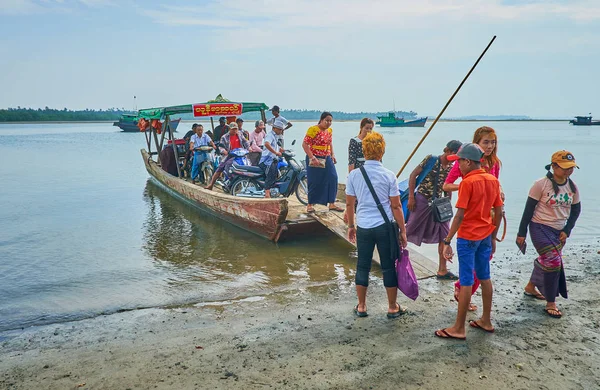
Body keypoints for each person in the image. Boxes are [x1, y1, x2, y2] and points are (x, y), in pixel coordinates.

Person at [435, 143, 503, 340]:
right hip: (485, 236)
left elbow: (459, 215)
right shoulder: (492, 180)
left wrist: (447, 240)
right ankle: (486, 320)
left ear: (467, 161)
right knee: (484, 277)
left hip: (468, 237)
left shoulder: (467, 182)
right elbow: (498, 211)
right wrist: (493, 236)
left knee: (466, 281)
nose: (458, 166)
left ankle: (458, 327)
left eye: (459, 162)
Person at [346, 132, 408, 318]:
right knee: (388, 266)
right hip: (385, 227)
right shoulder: (389, 176)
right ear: (382, 152)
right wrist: (403, 231)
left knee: (362, 265)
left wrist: (351, 226)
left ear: (364, 151)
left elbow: (349, 204)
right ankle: (392, 307)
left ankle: (362, 306)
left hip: (364, 225)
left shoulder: (354, 175)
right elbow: (396, 206)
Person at [516, 151, 581, 319]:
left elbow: (576, 211)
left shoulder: (572, 187)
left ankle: (531, 286)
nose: (568, 172)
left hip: (559, 231)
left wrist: (567, 230)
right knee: (553, 261)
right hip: (539, 227)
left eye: (571, 168)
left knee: (548, 259)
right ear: (553, 166)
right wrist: (521, 233)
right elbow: (528, 210)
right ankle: (551, 302)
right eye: (565, 168)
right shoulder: (540, 184)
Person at [405, 140, 462, 280]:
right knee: (408, 230)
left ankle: (442, 270)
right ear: (447, 150)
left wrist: (448, 203)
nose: (455, 158)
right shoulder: (431, 159)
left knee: (445, 235)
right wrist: (411, 197)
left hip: (439, 204)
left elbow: (448, 186)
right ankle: (394, 258)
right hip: (422, 200)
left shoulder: (452, 166)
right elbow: (413, 175)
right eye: (455, 154)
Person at [301, 112, 344, 213]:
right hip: (314, 158)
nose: (329, 123)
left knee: (333, 177)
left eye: (330, 121)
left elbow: (330, 143)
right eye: (327, 120)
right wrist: (312, 157)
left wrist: (332, 154)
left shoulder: (329, 130)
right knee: (314, 181)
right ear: (321, 120)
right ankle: (310, 204)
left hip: (327, 157)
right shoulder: (313, 129)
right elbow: (304, 145)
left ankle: (332, 203)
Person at [205, 122, 249, 191]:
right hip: (229, 155)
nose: (234, 131)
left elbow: (245, 142)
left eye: (236, 129)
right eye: (233, 129)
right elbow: (220, 147)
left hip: (240, 155)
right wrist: (224, 151)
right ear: (229, 129)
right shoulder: (224, 137)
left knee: (248, 166)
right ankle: (211, 184)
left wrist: (249, 148)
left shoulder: (240, 134)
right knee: (220, 168)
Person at [259, 123, 285, 198]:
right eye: (279, 129)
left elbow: (274, 146)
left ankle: (272, 191)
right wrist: (275, 152)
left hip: (273, 160)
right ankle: (267, 194)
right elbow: (267, 144)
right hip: (266, 160)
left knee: (275, 175)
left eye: (281, 130)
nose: (280, 131)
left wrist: (280, 150)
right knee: (270, 175)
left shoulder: (275, 136)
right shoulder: (270, 135)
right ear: (274, 128)